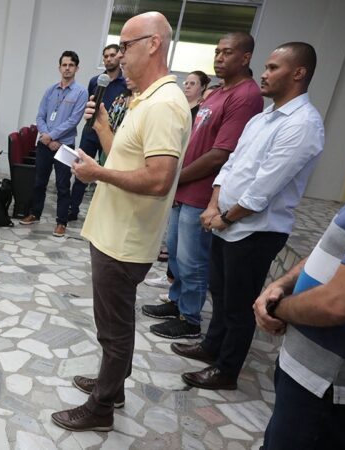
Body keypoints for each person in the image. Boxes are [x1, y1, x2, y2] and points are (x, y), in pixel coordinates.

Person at [50, 12, 191, 432]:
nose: (119, 55)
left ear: (153, 44)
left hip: (125, 239)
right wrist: (101, 126)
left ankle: (101, 407)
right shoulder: (146, 98)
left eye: (126, 45)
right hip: (114, 230)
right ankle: (113, 385)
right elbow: (124, 157)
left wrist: (98, 175)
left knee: (114, 329)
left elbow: (159, 179)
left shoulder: (165, 103)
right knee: (113, 323)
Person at [174, 42, 325, 391]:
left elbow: (263, 188)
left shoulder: (303, 124)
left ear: (299, 73)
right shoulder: (263, 118)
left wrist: (225, 217)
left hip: (256, 230)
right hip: (226, 221)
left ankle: (226, 370)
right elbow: (231, 165)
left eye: (273, 68)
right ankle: (212, 347)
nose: (264, 73)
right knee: (221, 294)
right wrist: (214, 206)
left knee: (239, 306)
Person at [141, 33, 263, 339]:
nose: (219, 57)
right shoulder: (219, 92)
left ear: (246, 57)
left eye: (228, 52)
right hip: (185, 188)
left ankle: (190, 319)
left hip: (203, 191)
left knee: (193, 260)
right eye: (217, 51)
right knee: (178, 255)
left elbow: (221, 155)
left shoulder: (245, 96)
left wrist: (175, 177)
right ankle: (177, 301)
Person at [253, 197, 345, 449]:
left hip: (329, 387)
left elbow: (338, 303)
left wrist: (278, 309)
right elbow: (332, 248)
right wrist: (281, 284)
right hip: (304, 372)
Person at [20, 50, 88, 238]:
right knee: (39, 182)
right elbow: (40, 116)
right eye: (64, 65)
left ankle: (61, 222)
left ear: (77, 68)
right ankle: (35, 213)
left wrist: (52, 137)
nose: (67, 68)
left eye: (71, 65)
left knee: (63, 185)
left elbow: (73, 120)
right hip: (44, 144)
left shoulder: (81, 92)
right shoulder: (50, 90)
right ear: (59, 68)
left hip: (64, 145)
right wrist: (46, 136)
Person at [70, 44, 127, 222]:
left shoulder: (126, 84)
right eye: (105, 56)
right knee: (80, 170)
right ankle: (72, 209)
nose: (108, 59)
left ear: (119, 58)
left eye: (112, 55)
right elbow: (89, 103)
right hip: (90, 132)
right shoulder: (96, 81)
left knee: (107, 173)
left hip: (111, 135)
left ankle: (103, 214)